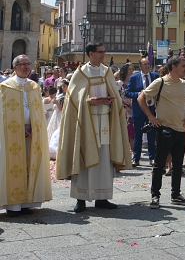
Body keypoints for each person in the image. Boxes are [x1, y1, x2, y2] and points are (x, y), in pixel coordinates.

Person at [56, 42, 131, 213]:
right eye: (100, 52)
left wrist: (111, 100)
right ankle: (80, 199)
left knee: (104, 159)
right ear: (90, 53)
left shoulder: (106, 72)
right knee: (84, 158)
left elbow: (115, 95)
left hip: (105, 121)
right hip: (86, 122)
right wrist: (89, 101)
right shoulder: (80, 73)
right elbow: (72, 100)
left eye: (104, 52)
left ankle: (102, 197)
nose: (103, 55)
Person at [139, 55, 185, 209]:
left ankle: (175, 194)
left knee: (178, 165)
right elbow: (141, 98)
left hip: (180, 129)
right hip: (164, 128)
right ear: (174, 67)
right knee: (159, 165)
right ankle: (155, 195)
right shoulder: (161, 82)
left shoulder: (184, 85)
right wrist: (151, 117)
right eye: (183, 66)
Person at [0, 55, 52, 216]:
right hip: (12, 133)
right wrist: (15, 129)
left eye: (28, 64)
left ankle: (26, 202)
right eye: (23, 64)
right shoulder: (5, 87)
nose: (26, 67)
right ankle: (13, 206)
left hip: (32, 133)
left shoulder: (34, 86)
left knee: (30, 164)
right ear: (14, 67)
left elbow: (38, 111)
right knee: (14, 167)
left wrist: (36, 127)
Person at [125, 56, 159, 167]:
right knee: (137, 135)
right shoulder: (134, 78)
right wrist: (138, 94)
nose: (147, 66)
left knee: (151, 135)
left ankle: (152, 158)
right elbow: (128, 92)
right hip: (139, 110)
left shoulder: (155, 77)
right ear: (140, 66)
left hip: (151, 109)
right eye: (144, 64)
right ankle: (136, 158)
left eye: (148, 64)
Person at [118, 63, 135, 152]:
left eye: (132, 69)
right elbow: (118, 96)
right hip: (123, 109)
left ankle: (132, 149)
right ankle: (123, 149)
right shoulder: (119, 83)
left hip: (133, 109)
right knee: (123, 129)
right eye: (129, 69)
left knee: (132, 130)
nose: (131, 71)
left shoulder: (133, 82)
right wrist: (124, 105)